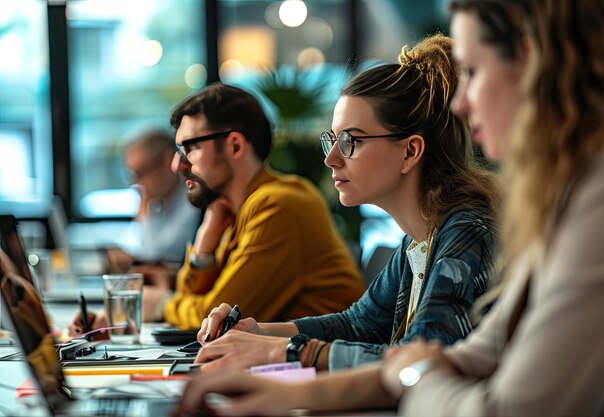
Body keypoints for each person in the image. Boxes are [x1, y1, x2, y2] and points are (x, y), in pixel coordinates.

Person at [175, 0, 604, 416]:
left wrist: (289, 355)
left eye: (472, 70)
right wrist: (264, 341)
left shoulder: (481, 224)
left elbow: (443, 366)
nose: (463, 103)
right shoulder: (428, 235)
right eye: (333, 140)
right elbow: (381, 330)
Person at [190, 34, 500, 373]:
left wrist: (283, 352)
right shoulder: (421, 237)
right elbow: (359, 323)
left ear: (410, 151)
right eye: (332, 140)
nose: (332, 159)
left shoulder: (466, 231)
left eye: (350, 140)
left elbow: (420, 364)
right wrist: (258, 332)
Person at [141, 82, 365, 327]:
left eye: (191, 147)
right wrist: (204, 251)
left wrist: (162, 304)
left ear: (235, 145)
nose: (177, 165)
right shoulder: (235, 209)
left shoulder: (278, 206)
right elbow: (195, 301)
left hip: (320, 362)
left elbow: (216, 319)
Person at [106, 129, 201, 283]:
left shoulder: (192, 201)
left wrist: (144, 214)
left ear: (168, 160)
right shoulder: (161, 202)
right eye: (131, 175)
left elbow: (158, 253)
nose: (135, 183)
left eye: (140, 172)